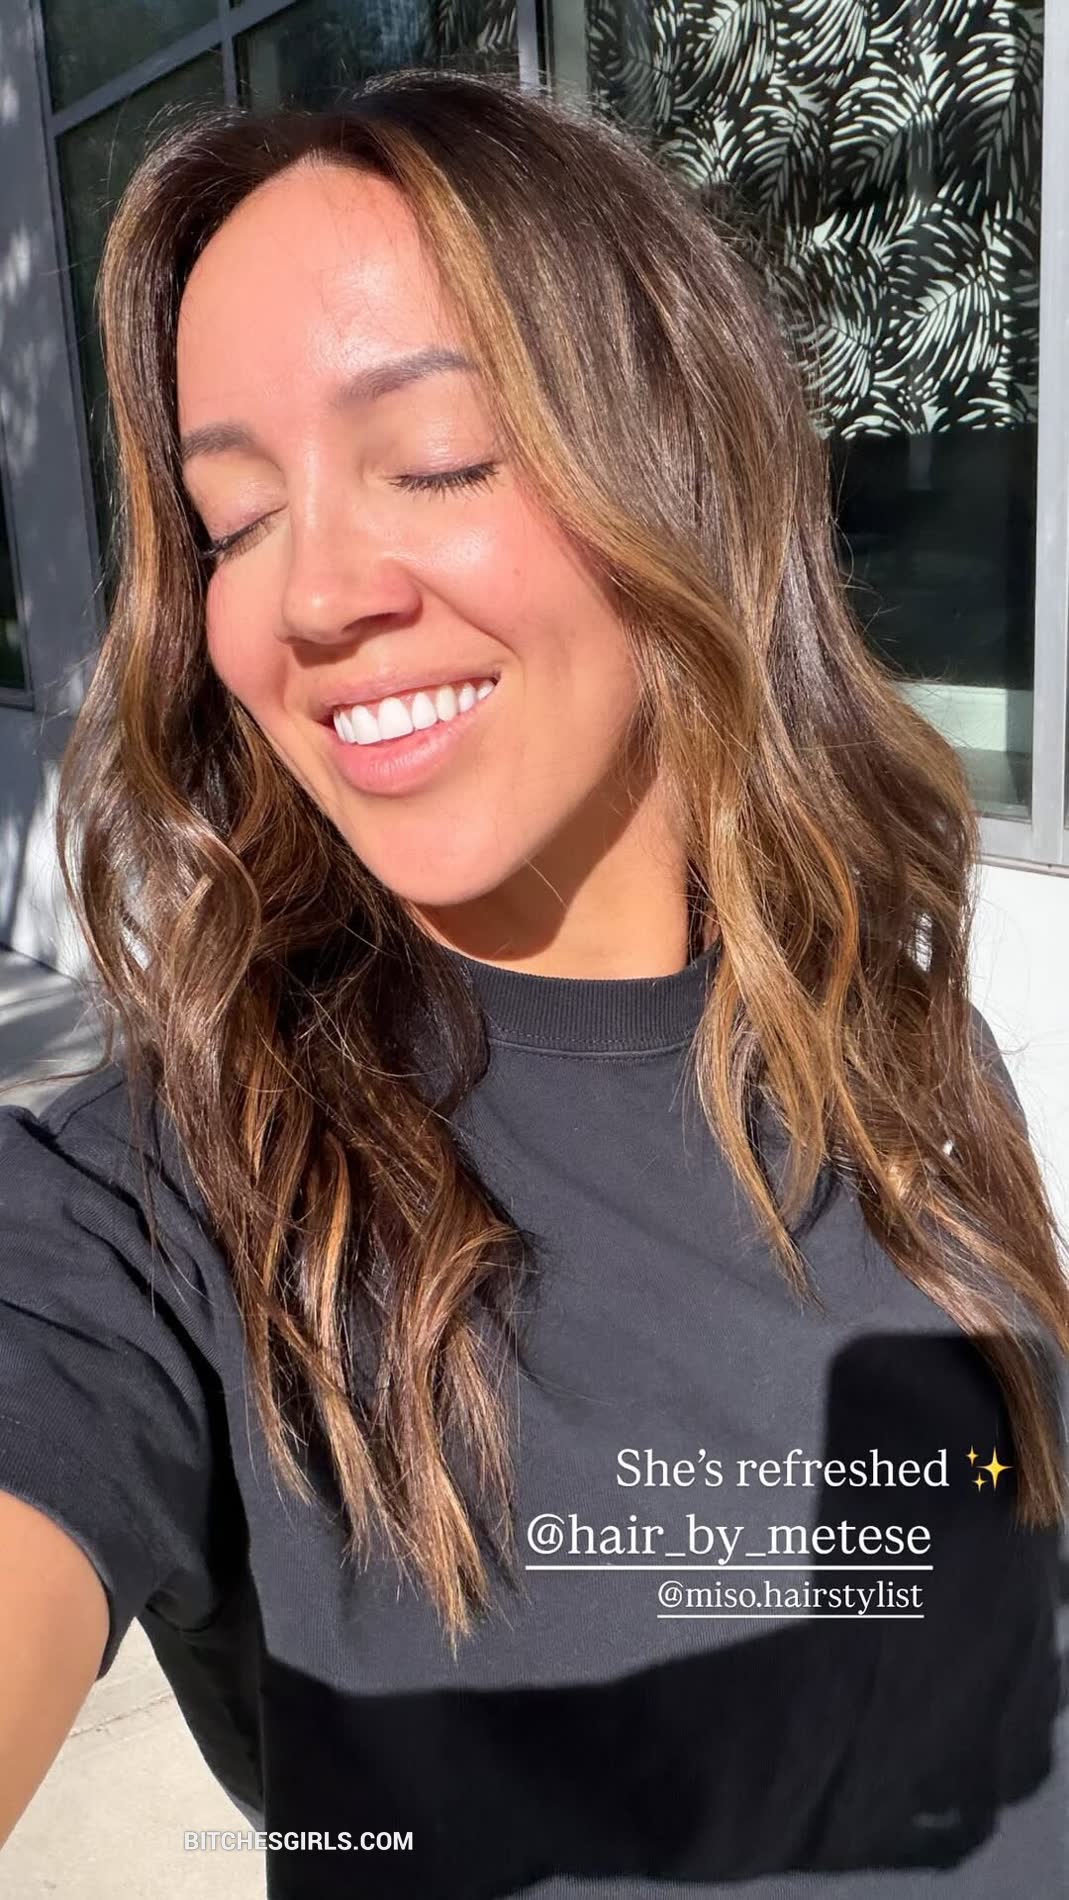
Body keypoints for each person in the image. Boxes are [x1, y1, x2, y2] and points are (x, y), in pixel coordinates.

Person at [0, 66, 1066, 1900]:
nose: (307, 597)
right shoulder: (163, 1208)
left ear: (684, 467)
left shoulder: (900, 1045)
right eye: (233, 519)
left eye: (433, 459)